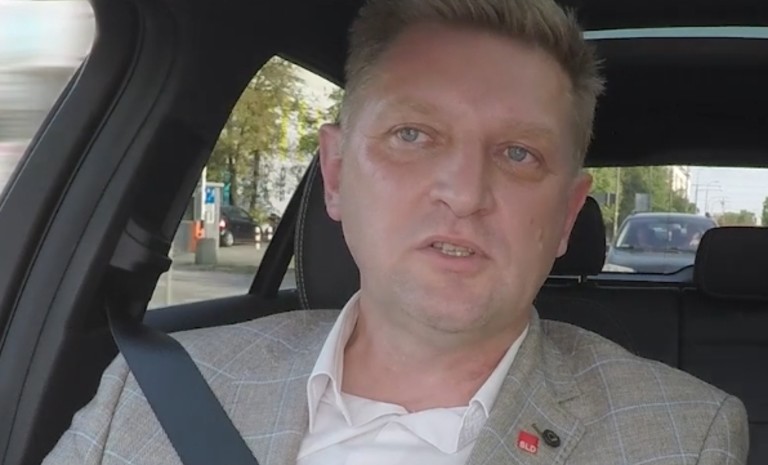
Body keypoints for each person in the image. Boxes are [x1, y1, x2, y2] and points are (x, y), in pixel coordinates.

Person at [45, 0, 749, 463]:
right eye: (413, 134)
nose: (464, 194)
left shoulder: (681, 435)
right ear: (337, 172)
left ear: (567, 216)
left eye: (518, 153)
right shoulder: (155, 391)